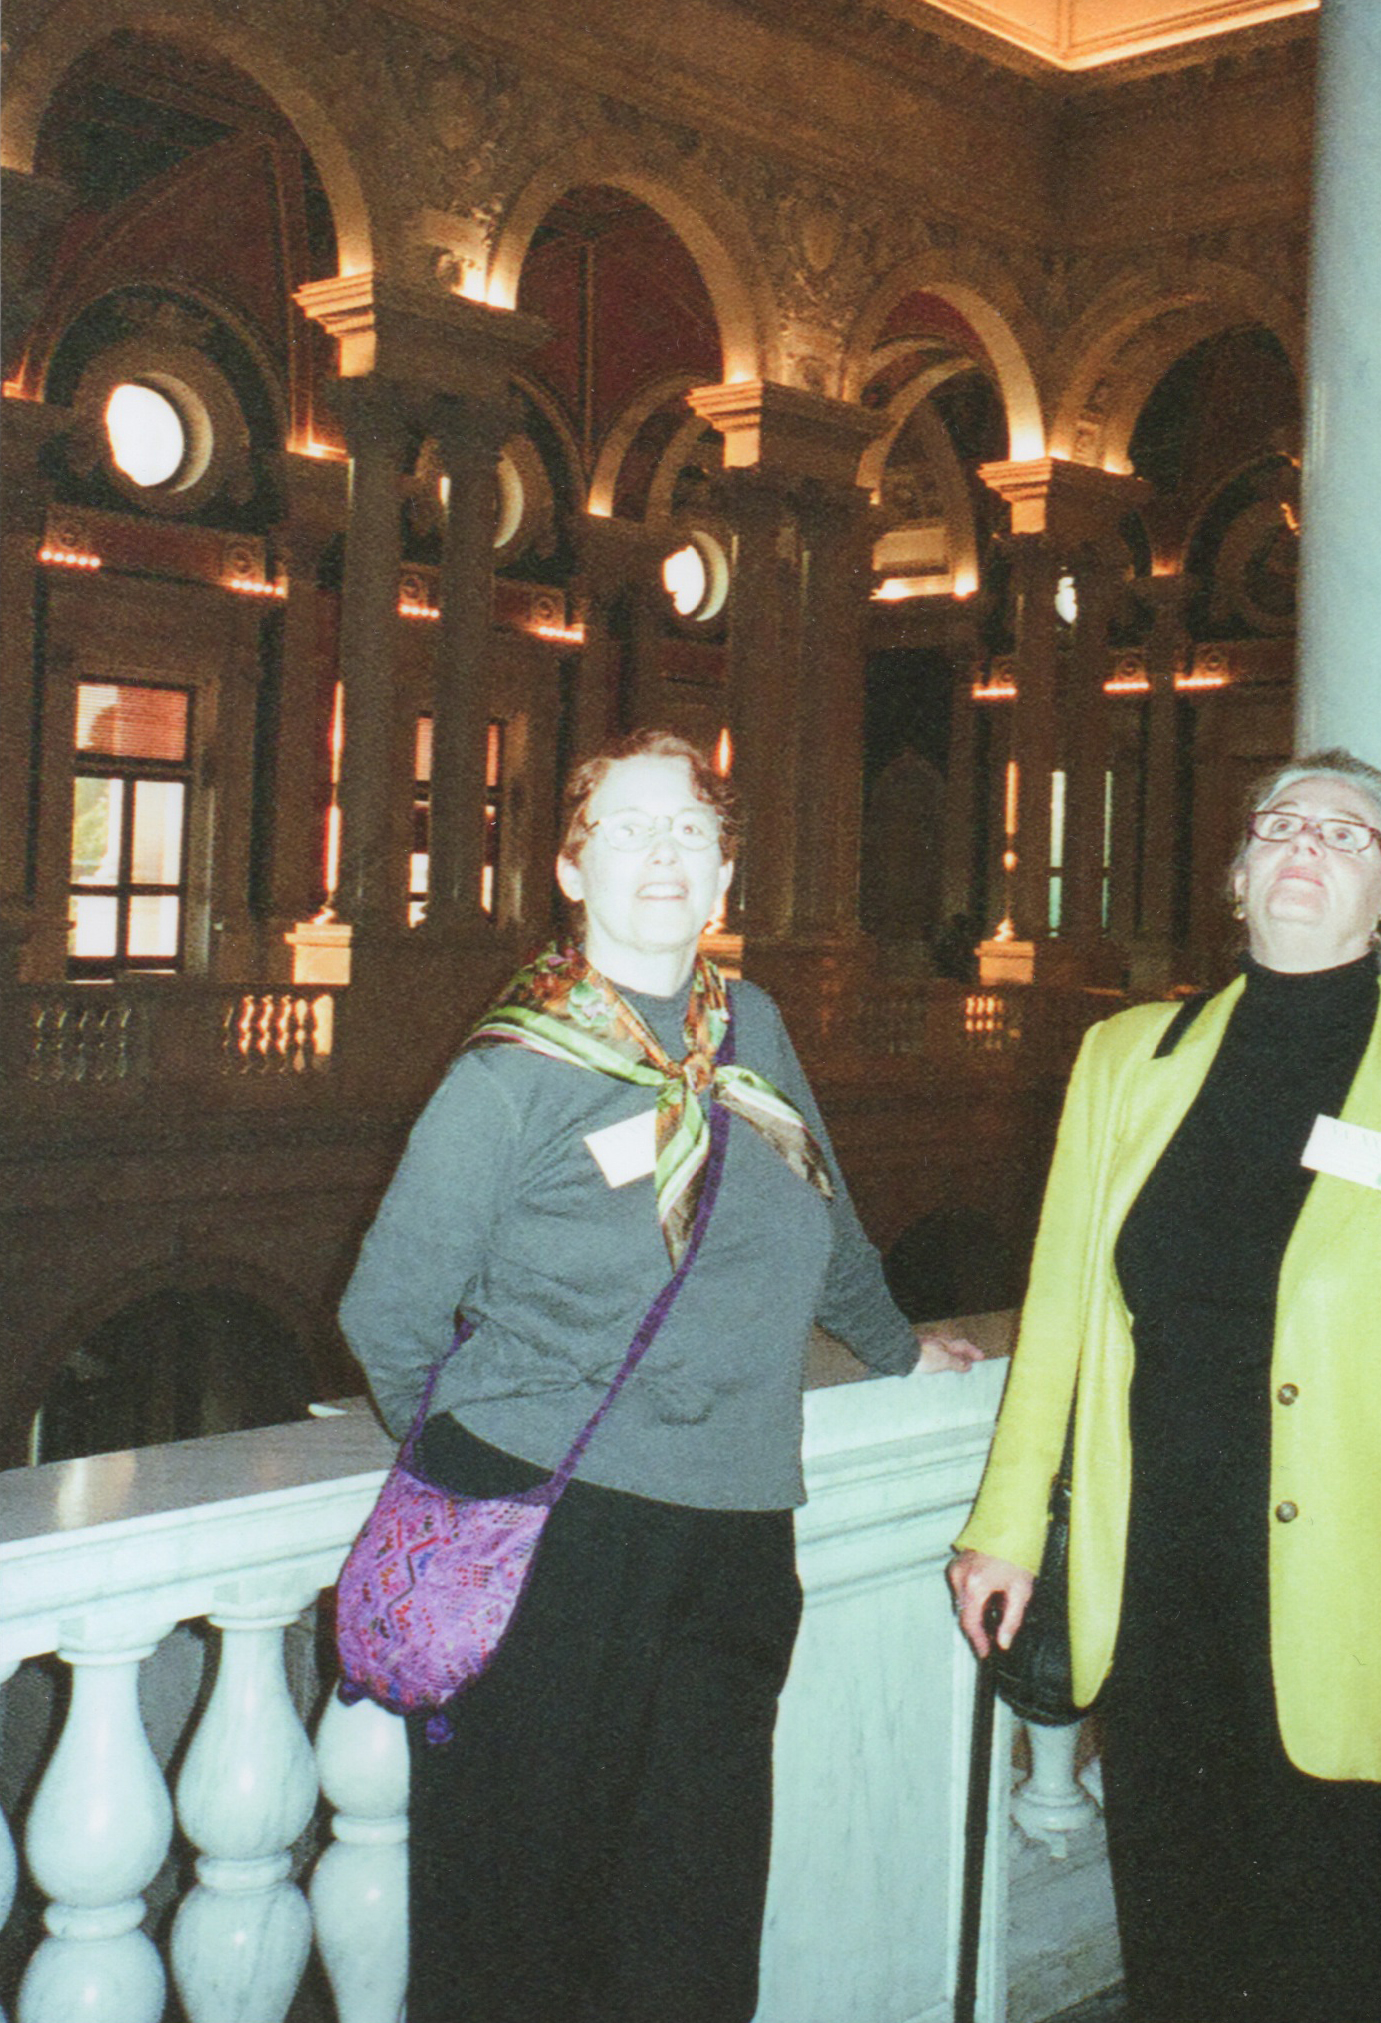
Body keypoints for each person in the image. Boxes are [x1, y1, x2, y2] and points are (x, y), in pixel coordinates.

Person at [340, 728, 979, 2023]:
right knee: (519, 1940)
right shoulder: (515, 1068)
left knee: (693, 1936)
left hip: (736, 1547)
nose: (662, 853)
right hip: (551, 1544)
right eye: (627, 827)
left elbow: (829, 1218)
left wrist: (905, 1344)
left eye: (690, 828)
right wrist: (493, 1454)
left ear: (725, 875)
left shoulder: (753, 1028)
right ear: (571, 869)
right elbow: (386, 1310)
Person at [950, 748, 1381, 2023]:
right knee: (1188, 1963)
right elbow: (1064, 1313)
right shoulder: (1127, 1061)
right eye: (1282, 824)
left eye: (1350, 837)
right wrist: (1004, 1529)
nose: (1308, 845)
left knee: (1370, 1978)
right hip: (1168, 1615)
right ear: (1238, 876)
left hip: (1377, 1637)